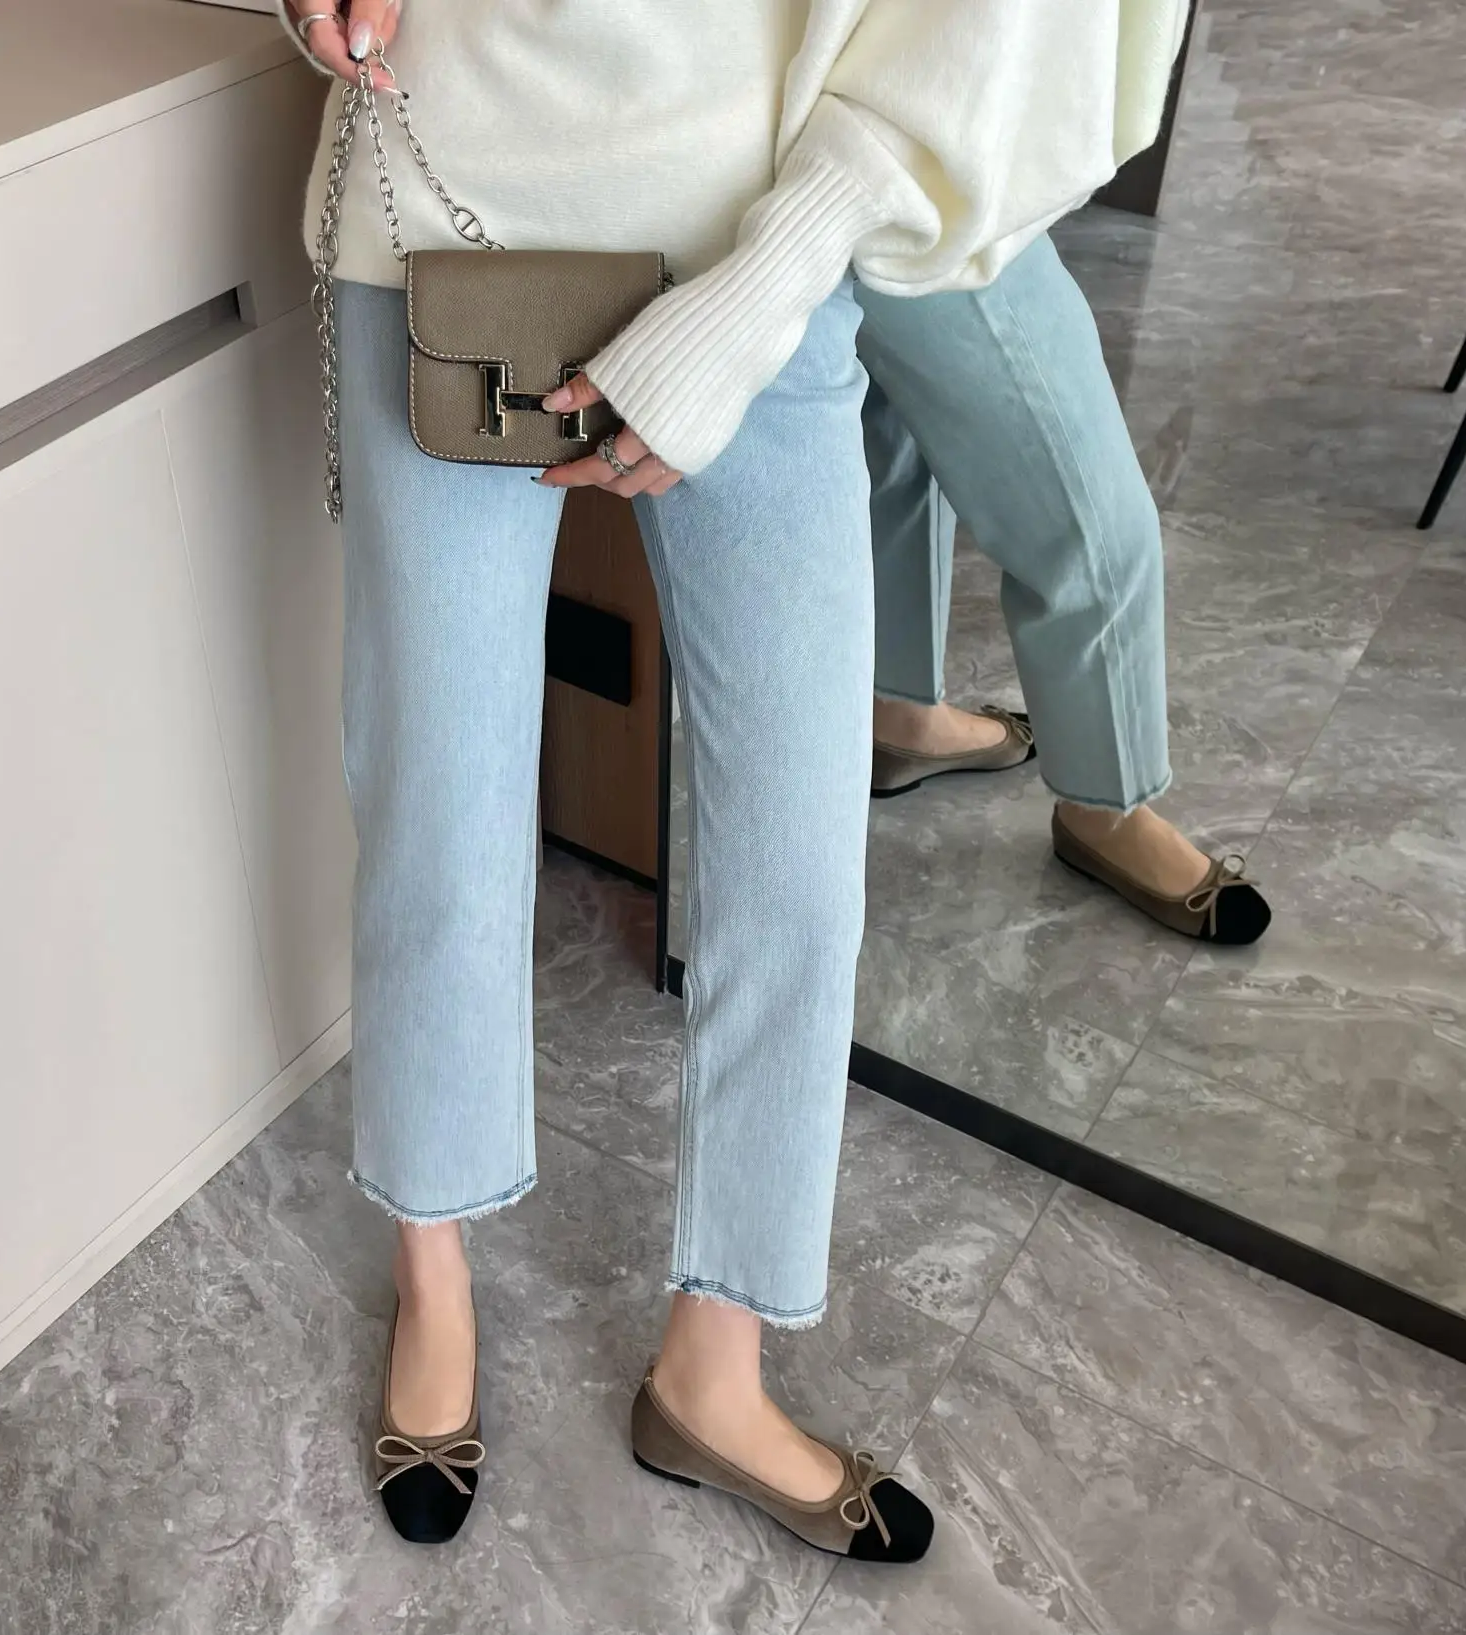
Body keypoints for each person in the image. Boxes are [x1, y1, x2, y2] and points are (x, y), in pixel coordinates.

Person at [276, 0, 1188, 1554]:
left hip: (761, 244)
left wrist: (773, 280)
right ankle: (433, 1272)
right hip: (439, 197)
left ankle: (717, 1361)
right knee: (438, 800)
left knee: (795, 854)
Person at [859, 239, 1273, 945]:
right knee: (1090, 518)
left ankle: (898, 713)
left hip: (794, 188)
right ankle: (1106, 810)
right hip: (922, 184)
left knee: (894, 410)